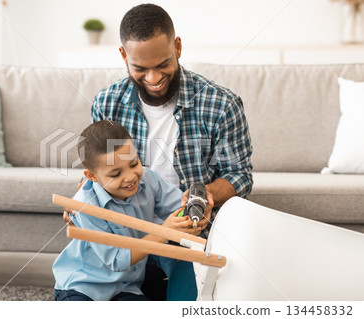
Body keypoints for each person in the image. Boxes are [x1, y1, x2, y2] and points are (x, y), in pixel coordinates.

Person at [65, 4, 253, 300]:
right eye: (140, 68)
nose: (153, 78)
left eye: (163, 64)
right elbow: (99, 168)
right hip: (126, 239)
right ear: (124, 56)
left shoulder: (221, 104)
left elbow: (240, 175)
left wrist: (202, 194)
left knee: (188, 303)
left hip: (185, 237)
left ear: (177, 47)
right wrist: (80, 201)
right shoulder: (106, 102)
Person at [53, 120, 212, 301]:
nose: (130, 177)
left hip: (128, 286)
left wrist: (191, 215)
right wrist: (165, 231)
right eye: (115, 174)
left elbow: (180, 207)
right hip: (84, 286)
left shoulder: (149, 178)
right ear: (92, 176)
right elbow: (116, 260)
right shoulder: (84, 204)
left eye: (134, 163)